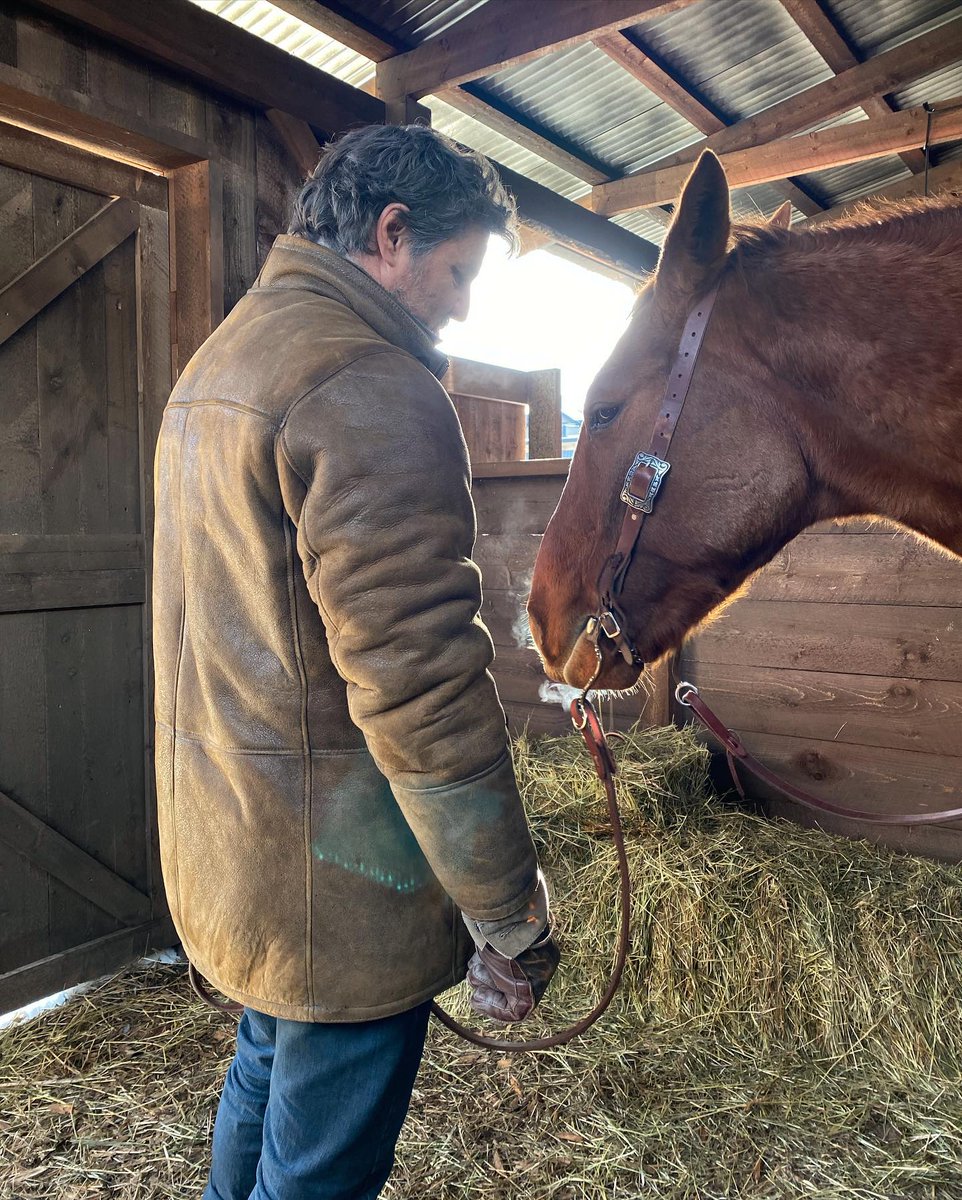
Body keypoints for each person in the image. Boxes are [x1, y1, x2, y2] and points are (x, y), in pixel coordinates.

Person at [151, 123, 560, 1200]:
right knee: (320, 1165)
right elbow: (420, 684)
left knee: (261, 1078)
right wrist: (505, 908)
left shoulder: (221, 363)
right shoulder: (367, 385)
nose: (464, 305)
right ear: (392, 233)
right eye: (461, 271)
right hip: (342, 878)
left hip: (238, 847)